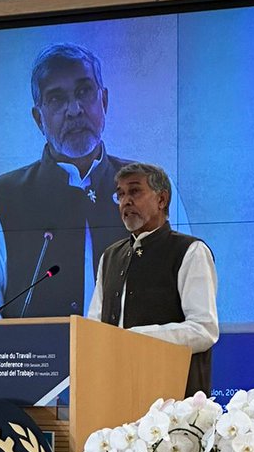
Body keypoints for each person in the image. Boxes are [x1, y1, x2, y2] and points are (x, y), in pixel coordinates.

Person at [0, 42, 189, 320]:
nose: (74, 109)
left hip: (134, 361)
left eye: (84, 91)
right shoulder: (0, 198)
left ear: (104, 101)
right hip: (37, 361)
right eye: (56, 99)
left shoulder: (154, 188)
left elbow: (188, 298)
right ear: (39, 119)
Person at [88, 163, 217, 396]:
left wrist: (137, 339)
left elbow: (203, 330)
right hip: (113, 393)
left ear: (162, 199)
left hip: (173, 399)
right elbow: (94, 329)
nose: (126, 201)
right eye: (121, 194)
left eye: (135, 191)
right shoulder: (110, 257)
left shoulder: (190, 251)